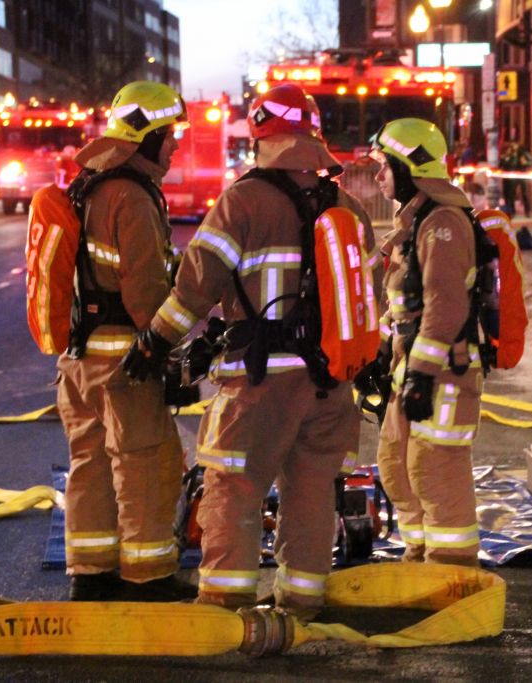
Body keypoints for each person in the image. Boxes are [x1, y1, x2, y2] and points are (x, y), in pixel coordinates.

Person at [121, 83, 379, 621]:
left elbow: (195, 288)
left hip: (261, 382)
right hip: (330, 380)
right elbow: (366, 287)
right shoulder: (345, 206)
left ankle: (225, 606)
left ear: (261, 134)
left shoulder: (242, 201)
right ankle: (301, 603)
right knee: (312, 489)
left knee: (234, 488)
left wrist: (154, 343)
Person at [57, 81, 193, 602]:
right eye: (170, 134)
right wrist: (167, 350)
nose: (175, 145)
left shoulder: (88, 186)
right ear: (147, 136)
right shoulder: (132, 197)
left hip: (79, 359)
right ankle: (148, 576)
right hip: (125, 361)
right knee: (147, 461)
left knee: (90, 462)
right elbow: (145, 293)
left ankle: (90, 573)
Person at [361, 118, 484, 567]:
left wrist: (421, 376)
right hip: (411, 369)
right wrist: (378, 351)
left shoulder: (442, 224)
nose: (379, 176)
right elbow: (404, 306)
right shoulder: (416, 223)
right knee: (396, 465)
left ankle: (451, 570)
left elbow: (444, 309)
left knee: (435, 471)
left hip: (443, 374)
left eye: (385, 166)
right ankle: (418, 556)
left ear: (408, 167)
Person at [500, 138, 532, 217]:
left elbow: (530, 161)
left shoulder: (523, 153)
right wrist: (505, 157)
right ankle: (512, 211)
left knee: (524, 193)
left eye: (515, 144)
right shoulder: (509, 154)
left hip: (522, 175)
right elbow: (502, 164)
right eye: (512, 145)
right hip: (513, 177)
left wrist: (525, 163)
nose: (513, 146)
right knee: (512, 194)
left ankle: (527, 211)